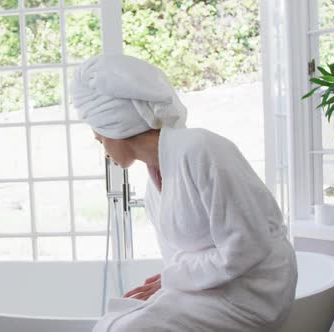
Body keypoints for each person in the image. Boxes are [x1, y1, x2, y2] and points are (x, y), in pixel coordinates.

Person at [70, 54, 297, 332]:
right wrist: (170, 281)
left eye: (100, 138)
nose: (103, 150)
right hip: (213, 287)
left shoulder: (201, 149)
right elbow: (180, 257)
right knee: (112, 321)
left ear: (116, 127)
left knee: (126, 330)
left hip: (254, 291)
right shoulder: (155, 182)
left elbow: (247, 246)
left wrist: (173, 278)